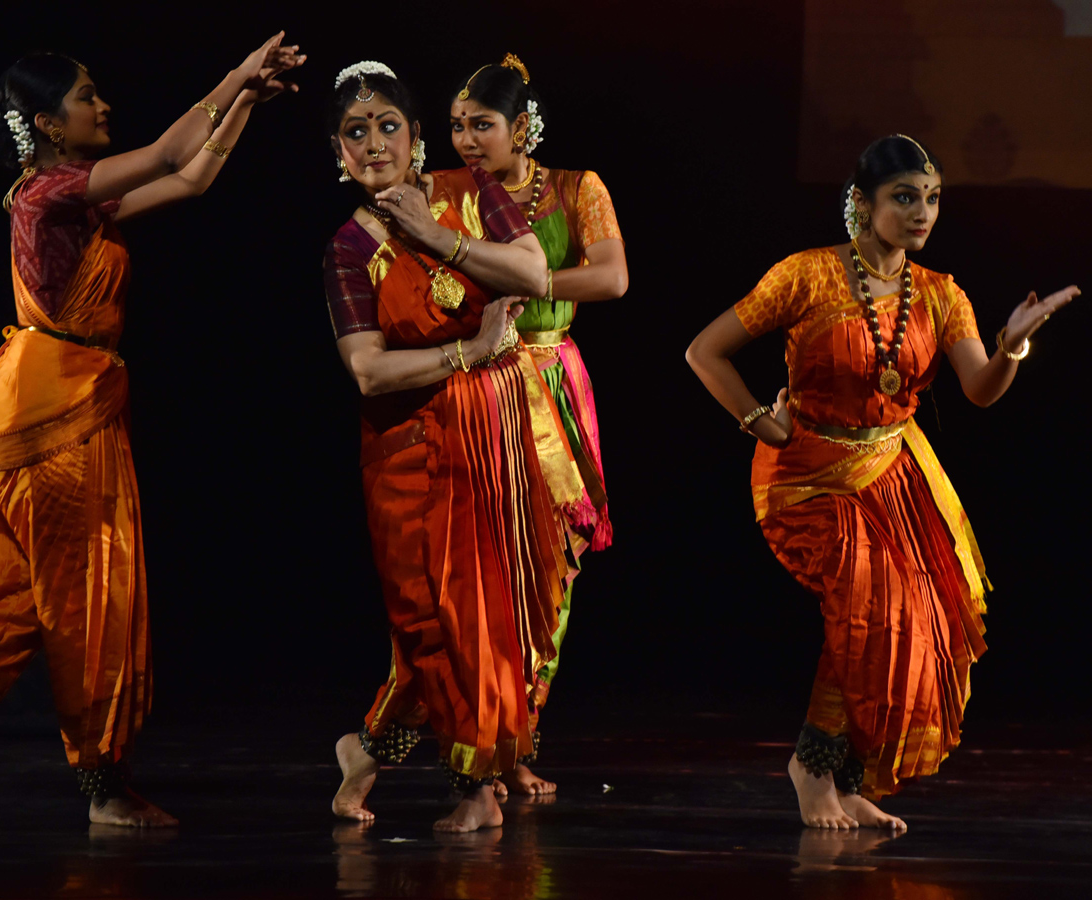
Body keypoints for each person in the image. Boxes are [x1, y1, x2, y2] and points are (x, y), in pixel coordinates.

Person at [0, 34, 305, 829]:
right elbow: (167, 150)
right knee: (89, 593)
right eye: (88, 96)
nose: (103, 105)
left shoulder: (66, 197)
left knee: (10, 598)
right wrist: (236, 72)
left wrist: (249, 101)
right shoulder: (49, 195)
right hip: (54, 419)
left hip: (35, 411)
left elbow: (192, 176)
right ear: (49, 123)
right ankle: (104, 788)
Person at [685, 135, 1078, 832]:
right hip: (806, 476)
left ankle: (846, 774)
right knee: (869, 600)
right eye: (904, 197)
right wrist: (759, 423)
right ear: (862, 205)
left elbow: (981, 390)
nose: (922, 212)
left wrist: (1012, 345)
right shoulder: (805, 276)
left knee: (914, 625)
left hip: (893, 474)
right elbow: (704, 351)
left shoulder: (939, 294)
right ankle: (810, 767)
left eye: (930, 198)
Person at [323, 61, 578, 833]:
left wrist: (435, 236)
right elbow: (368, 371)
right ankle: (465, 779)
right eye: (356, 134)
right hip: (408, 451)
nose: (374, 144)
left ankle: (382, 759)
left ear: (418, 138)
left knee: (496, 615)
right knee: (434, 620)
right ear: (338, 155)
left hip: (496, 441)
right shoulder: (345, 248)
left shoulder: (470, 196)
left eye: (388, 127)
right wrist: (466, 353)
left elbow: (534, 270)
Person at [448, 54, 627, 797]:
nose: (465, 139)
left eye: (481, 125)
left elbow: (612, 278)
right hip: (477, 382)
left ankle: (518, 740)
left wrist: (533, 280)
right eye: (456, 125)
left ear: (522, 128)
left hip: (552, 380)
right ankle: (481, 746)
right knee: (486, 568)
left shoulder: (577, 190)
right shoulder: (444, 197)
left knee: (551, 568)